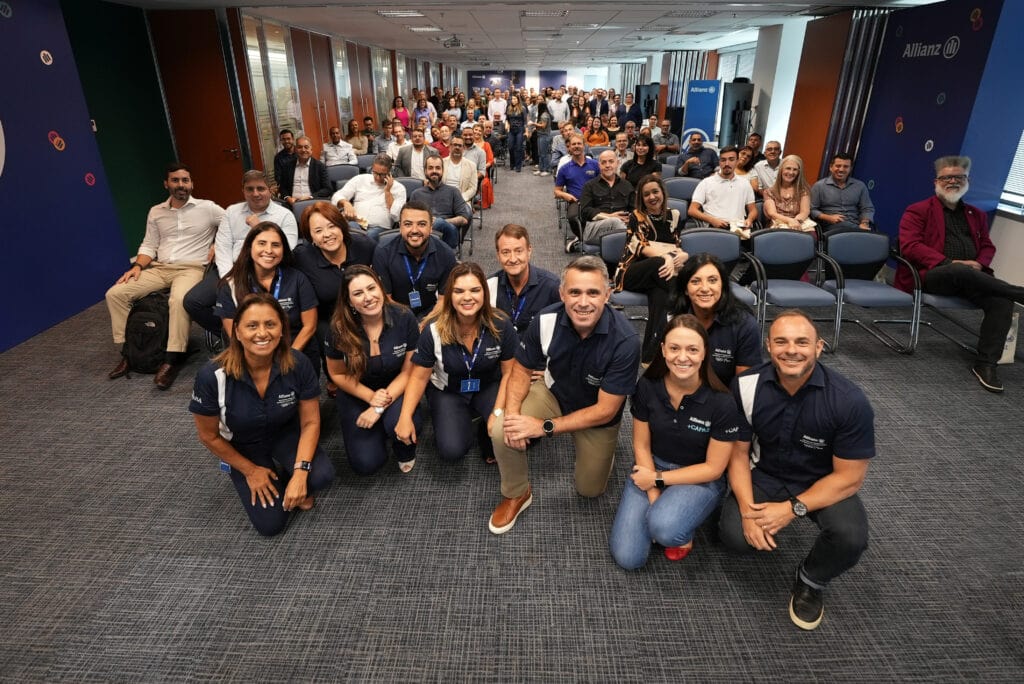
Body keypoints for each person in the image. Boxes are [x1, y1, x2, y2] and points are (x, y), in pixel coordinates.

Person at [719, 310, 875, 631]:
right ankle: (753, 518)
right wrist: (748, 511)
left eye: (802, 342)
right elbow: (738, 455)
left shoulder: (849, 401)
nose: (791, 350)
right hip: (764, 473)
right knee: (734, 537)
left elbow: (850, 478)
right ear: (768, 346)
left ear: (819, 347)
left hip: (822, 480)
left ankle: (811, 579)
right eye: (782, 342)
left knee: (850, 538)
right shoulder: (746, 386)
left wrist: (792, 509)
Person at [487, 256, 642, 535]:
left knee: (589, 489)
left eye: (593, 292)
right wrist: (512, 416)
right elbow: (521, 369)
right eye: (574, 292)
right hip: (554, 393)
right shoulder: (546, 319)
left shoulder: (625, 341)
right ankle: (517, 493)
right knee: (501, 429)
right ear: (562, 294)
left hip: (596, 413)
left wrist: (543, 427)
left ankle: (601, 453)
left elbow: (606, 410)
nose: (583, 302)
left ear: (607, 295)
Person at [190, 293, 335, 536]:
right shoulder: (212, 376)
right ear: (237, 332)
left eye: (270, 324)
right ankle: (266, 473)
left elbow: (310, 422)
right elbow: (209, 436)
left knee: (320, 476)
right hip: (242, 444)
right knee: (271, 525)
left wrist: (300, 473)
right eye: (252, 325)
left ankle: (288, 473)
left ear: (281, 329)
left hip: (284, 432)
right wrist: (250, 471)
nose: (262, 333)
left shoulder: (298, 363)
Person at [609, 314, 740, 569]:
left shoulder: (722, 402)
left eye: (692, 349)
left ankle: (682, 529)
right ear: (663, 350)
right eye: (674, 348)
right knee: (628, 558)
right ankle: (669, 513)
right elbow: (641, 445)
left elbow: (714, 468)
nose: (682, 357)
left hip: (699, 477)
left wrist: (657, 480)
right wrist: (654, 493)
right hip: (651, 465)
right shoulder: (647, 386)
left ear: (704, 353)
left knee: (665, 529)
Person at [896, 154, 1024, 393]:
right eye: (947, 178)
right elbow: (910, 246)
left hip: (970, 278)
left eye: (959, 177)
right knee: (959, 270)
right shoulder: (918, 210)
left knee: (1001, 301)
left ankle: (986, 364)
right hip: (932, 275)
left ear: (967, 181)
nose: (953, 181)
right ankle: (1018, 292)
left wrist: (979, 263)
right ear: (936, 182)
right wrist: (949, 262)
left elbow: (987, 246)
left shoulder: (977, 214)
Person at [106, 163, 225, 389]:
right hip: (160, 268)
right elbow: (149, 244)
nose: (181, 185)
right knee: (115, 294)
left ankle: (172, 359)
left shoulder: (207, 208)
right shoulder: (156, 212)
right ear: (166, 184)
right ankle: (130, 353)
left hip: (191, 268)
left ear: (192, 184)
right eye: (175, 180)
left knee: (179, 300)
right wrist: (137, 266)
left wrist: (218, 243)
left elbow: (232, 224)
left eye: (185, 180)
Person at [397, 263, 518, 464]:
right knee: (452, 450)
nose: (467, 297)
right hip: (448, 390)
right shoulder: (433, 330)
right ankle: (465, 419)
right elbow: (418, 378)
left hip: (487, 386)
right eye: (459, 291)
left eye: (475, 290)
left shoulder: (501, 324)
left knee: (512, 433)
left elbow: (509, 372)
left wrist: (497, 412)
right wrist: (405, 416)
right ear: (449, 296)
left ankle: (484, 427)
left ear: (484, 293)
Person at [325, 265, 420, 474]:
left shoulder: (404, 317)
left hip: (397, 386)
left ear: (380, 288)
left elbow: (409, 371)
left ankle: (396, 438)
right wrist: (370, 397)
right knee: (366, 463)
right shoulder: (338, 328)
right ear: (349, 301)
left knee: (398, 425)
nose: (368, 297)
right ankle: (379, 428)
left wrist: (378, 407)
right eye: (358, 293)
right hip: (356, 390)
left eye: (371, 288)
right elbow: (337, 373)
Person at [184, 170, 298, 345]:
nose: (255, 194)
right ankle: (234, 336)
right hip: (231, 269)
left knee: (254, 307)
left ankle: (256, 337)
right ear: (243, 191)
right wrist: (229, 278)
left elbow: (287, 249)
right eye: (250, 189)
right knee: (193, 302)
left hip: (265, 271)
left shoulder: (284, 215)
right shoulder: (232, 212)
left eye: (261, 188)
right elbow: (222, 247)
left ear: (271, 190)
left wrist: (258, 227)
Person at [293, 201, 375, 393]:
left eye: (332, 226)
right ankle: (334, 375)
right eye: (318, 230)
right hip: (328, 317)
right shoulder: (302, 257)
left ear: (342, 226)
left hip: (365, 311)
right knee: (326, 333)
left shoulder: (365, 246)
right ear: (311, 237)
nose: (327, 234)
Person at [214, 222, 318, 372]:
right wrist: (261, 363)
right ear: (250, 247)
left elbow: (309, 326)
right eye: (262, 243)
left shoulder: (297, 279)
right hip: (252, 355)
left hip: (294, 350)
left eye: (275, 245)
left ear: (283, 250)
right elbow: (234, 334)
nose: (269, 250)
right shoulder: (231, 285)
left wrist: (289, 357)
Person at [613, 174, 687, 362]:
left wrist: (683, 255)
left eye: (655, 192)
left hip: (660, 276)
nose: (652, 197)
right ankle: (681, 308)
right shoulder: (636, 216)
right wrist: (667, 258)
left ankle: (649, 357)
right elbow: (641, 246)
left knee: (660, 296)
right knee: (660, 266)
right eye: (646, 194)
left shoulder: (674, 215)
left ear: (663, 192)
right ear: (641, 198)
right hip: (632, 272)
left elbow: (677, 244)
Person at [668, 253, 762, 386]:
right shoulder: (674, 319)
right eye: (695, 281)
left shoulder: (745, 324)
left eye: (712, 280)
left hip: (726, 395)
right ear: (685, 289)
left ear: (722, 286)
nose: (705, 288)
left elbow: (745, 386)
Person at [372, 201, 458, 320]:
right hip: (394, 312)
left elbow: (443, 301)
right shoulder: (383, 252)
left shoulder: (446, 254)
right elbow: (386, 299)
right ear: (400, 227)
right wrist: (410, 323)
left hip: (431, 312)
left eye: (422, 224)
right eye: (408, 224)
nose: (414, 230)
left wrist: (424, 324)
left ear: (431, 227)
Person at [487, 224, 562, 336]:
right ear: (498, 255)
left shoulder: (551, 286)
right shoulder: (488, 286)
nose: (513, 259)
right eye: (506, 252)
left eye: (518, 251)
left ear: (529, 251)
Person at [331, 153, 406, 241]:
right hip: (356, 223)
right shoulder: (360, 179)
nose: (378, 178)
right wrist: (345, 203)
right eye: (375, 173)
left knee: (367, 237)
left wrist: (388, 192)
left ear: (390, 172)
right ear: (372, 168)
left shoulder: (399, 188)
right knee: (351, 229)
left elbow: (396, 216)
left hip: (380, 228)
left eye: (382, 174)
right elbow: (336, 197)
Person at [687, 146, 757, 236]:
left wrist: (749, 219)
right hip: (713, 227)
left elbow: (753, 210)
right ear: (719, 162)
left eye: (731, 159)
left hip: (738, 228)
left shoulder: (745, 183)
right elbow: (692, 210)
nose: (727, 163)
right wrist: (712, 220)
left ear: (737, 161)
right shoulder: (706, 182)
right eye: (723, 160)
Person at [410, 155, 471, 250]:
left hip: (448, 234)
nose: (434, 171)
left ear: (443, 171)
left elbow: (464, 219)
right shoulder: (416, 194)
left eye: (438, 168)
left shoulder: (453, 192)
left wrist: (441, 222)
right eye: (430, 168)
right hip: (423, 230)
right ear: (425, 171)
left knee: (439, 223)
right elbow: (410, 217)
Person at [578, 150, 634, 248]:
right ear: (599, 166)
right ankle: (631, 247)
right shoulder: (589, 186)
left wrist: (630, 218)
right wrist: (610, 217)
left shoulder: (627, 185)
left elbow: (634, 208)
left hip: (624, 225)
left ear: (617, 163)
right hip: (595, 227)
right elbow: (585, 212)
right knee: (616, 222)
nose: (607, 165)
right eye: (603, 162)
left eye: (611, 161)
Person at [810, 153, 874, 233]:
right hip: (831, 227)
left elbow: (867, 208)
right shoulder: (819, 186)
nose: (841, 169)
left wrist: (864, 223)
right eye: (838, 166)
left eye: (846, 167)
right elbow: (812, 209)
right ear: (831, 167)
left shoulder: (860, 186)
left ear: (850, 169)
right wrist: (828, 217)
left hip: (856, 225)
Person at [761, 154, 816, 232]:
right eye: (788, 168)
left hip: (799, 221)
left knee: (810, 235)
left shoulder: (804, 190)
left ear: (799, 172)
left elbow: (805, 212)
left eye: (795, 169)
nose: (791, 172)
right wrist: (789, 221)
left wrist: (795, 222)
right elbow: (772, 213)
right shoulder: (769, 192)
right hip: (778, 223)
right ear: (781, 170)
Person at [278, 136, 333, 206]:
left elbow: (328, 189)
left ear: (311, 149)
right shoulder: (287, 166)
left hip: (313, 203)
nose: (303, 150)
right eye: (300, 147)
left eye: (306, 147)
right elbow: (283, 187)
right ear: (295, 149)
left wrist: (310, 197)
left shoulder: (320, 166)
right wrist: (288, 198)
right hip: (291, 204)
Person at [443, 134, 479, 204]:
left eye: (460, 146)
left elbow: (473, 188)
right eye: (455, 145)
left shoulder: (471, 166)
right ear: (450, 147)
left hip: (462, 200)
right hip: (443, 199)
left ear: (463, 148)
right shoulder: (442, 163)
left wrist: (460, 198)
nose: (457, 147)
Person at [505, 94, 527, 173]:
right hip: (511, 130)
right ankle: (512, 164)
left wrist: (526, 131)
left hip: (520, 129)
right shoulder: (509, 108)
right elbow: (507, 119)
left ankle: (518, 166)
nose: (513, 100)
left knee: (518, 148)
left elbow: (525, 121)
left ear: (518, 100)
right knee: (510, 147)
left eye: (515, 99)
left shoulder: (522, 108)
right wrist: (507, 125)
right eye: (512, 99)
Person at [532, 101, 553, 177]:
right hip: (541, 135)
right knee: (540, 153)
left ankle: (547, 170)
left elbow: (543, 126)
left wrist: (533, 124)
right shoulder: (544, 114)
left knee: (544, 154)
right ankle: (541, 168)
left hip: (544, 136)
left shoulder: (544, 115)